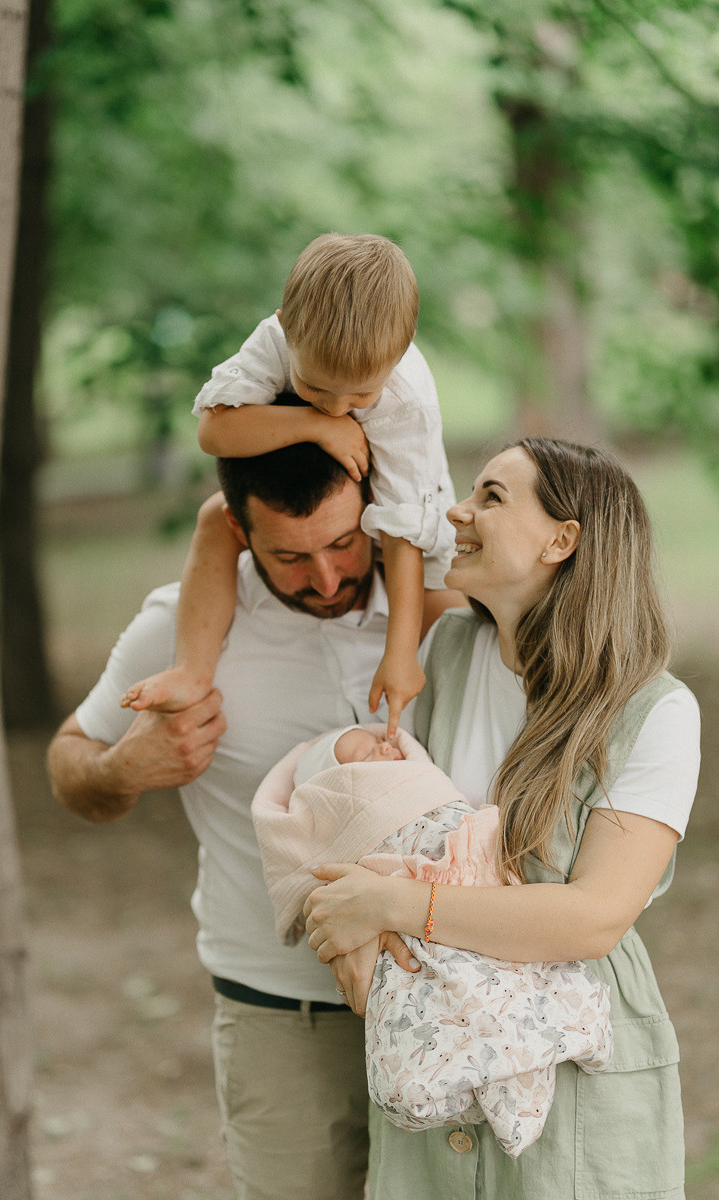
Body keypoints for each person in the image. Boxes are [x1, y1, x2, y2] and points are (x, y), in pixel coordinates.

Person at [46, 439, 452, 1200]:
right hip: (278, 1016)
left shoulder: (447, 613)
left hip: (452, 999)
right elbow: (69, 761)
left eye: (342, 541)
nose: (327, 578)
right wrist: (121, 770)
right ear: (236, 529)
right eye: (290, 557)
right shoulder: (181, 629)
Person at [302, 438, 701, 1200]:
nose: (459, 510)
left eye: (490, 496)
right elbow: (391, 818)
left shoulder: (654, 711)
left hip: (571, 1062)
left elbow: (592, 918)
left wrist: (387, 905)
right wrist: (357, 920)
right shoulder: (447, 650)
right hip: (431, 1041)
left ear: (563, 539)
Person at [121, 233, 458, 738]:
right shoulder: (277, 340)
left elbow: (402, 536)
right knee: (218, 515)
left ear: (402, 350)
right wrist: (315, 426)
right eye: (316, 388)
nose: (338, 406)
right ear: (284, 327)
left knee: (453, 633)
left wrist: (400, 654)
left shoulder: (408, 401)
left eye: (362, 394)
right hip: (334, 497)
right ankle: (192, 670)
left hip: (412, 532)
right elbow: (213, 431)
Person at [251, 722, 613, 1158]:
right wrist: (375, 903)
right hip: (423, 926)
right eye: (366, 755)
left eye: (380, 741)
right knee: (450, 1000)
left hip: (479, 910)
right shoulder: (366, 830)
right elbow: (368, 877)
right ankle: (468, 1088)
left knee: (508, 994)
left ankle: (520, 1091)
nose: (385, 746)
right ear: (342, 787)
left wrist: (387, 901)